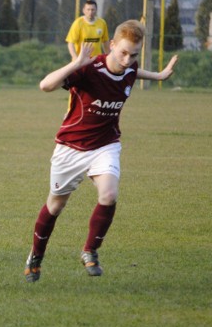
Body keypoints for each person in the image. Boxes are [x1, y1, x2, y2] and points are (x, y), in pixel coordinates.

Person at [24, 20, 179, 282]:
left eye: (135, 54)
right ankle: (36, 256)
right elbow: (45, 85)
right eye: (124, 53)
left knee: (108, 194)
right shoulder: (88, 69)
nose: (128, 59)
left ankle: (90, 251)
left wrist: (160, 76)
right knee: (56, 205)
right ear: (112, 45)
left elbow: (134, 72)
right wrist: (76, 63)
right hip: (71, 146)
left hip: (106, 144)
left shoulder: (129, 69)